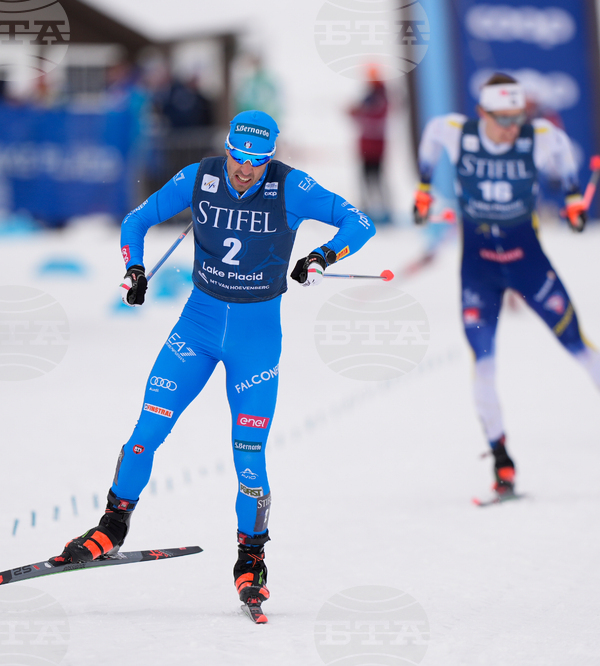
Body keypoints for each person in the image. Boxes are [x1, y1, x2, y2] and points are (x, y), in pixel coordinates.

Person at [50, 110, 375, 621]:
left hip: (256, 341)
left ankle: (252, 560)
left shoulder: (292, 186)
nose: (244, 171)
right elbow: (137, 220)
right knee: (145, 433)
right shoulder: (200, 177)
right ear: (226, 148)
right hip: (195, 330)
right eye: (238, 159)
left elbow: (360, 221)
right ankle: (112, 526)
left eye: (257, 162)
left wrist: (321, 257)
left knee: (249, 457)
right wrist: (135, 269)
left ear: (270, 156)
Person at [413, 73, 600, 499]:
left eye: (518, 117)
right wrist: (424, 187)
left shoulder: (539, 133)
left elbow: (561, 151)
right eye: (502, 119)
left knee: (578, 344)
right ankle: (501, 460)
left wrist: (572, 195)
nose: (512, 128)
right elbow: (431, 134)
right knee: (483, 364)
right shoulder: (458, 132)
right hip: (478, 270)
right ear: (482, 113)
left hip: (528, 265)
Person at [348, 65, 389, 224]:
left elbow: (372, 117)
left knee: (374, 178)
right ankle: (374, 208)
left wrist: (357, 112)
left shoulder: (378, 96)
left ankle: (381, 210)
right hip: (370, 145)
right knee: (370, 178)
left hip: (373, 145)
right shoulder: (375, 95)